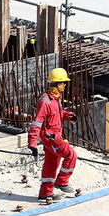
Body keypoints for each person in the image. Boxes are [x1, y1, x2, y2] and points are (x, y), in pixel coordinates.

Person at [27, 68, 77, 202]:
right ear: (58, 84)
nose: (65, 85)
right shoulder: (45, 101)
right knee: (71, 155)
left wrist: (67, 116)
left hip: (54, 136)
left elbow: (55, 116)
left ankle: (45, 193)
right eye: (64, 83)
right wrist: (32, 142)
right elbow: (37, 122)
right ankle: (61, 182)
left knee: (51, 164)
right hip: (51, 138)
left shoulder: (55, 99)